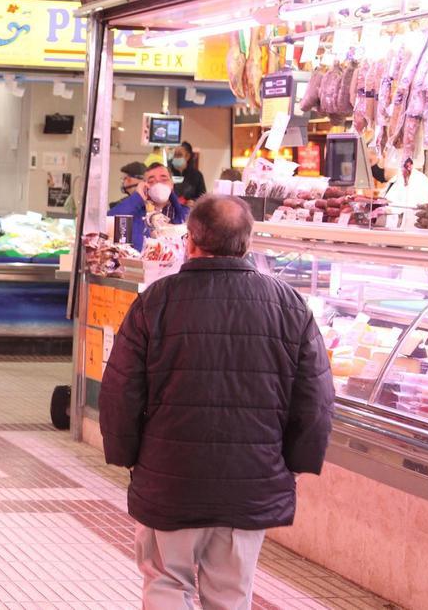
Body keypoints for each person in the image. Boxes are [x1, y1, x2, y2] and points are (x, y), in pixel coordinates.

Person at [100, 195, 333, 610]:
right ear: (247, 243)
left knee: (166, 583)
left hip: (169, 477)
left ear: (190, 242)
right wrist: (295, 464)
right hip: (250, 480)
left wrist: (126, 455)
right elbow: (315, 397)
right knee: (230, 593)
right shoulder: (290, 305)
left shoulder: (156, 302)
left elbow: (120, 389)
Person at [107, 163, 190, 250]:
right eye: (151, 181)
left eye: (164, 179)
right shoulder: (133, 214)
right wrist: (137, 197)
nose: (158, 184)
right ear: (145, 186)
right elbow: (109, 222)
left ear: (171, 184)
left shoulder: (187, 215)